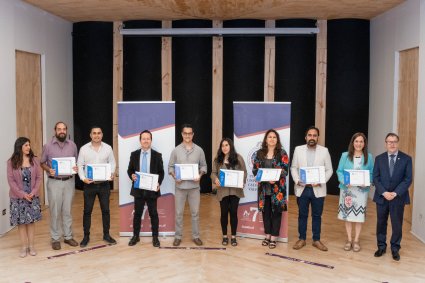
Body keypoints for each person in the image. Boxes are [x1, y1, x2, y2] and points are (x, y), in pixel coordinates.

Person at [291, 126, 333, 251]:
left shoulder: (324, 151)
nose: (312, 137)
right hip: (302, 188)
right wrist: (298, 180)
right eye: (310, 135)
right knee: (302, 215)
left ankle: (316, 240)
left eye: (314, 135)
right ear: (306, 137)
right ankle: (302, 239)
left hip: (318, 189)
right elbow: (293, 168)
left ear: (317, 138)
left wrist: (321, 180)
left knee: (317, 215)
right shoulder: (298, 150)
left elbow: (329, 169)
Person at [373, 133, 412, 261]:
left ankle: (395, 248)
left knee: (397, 224)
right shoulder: (379, 159)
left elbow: (408, 179)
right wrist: (384, 192)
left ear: (398, 142)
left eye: (394, 141)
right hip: (382, 197)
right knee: (381, 223)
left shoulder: (406, 159)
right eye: (389, 142)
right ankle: (381, 247)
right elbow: (376, 178)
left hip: (398, 198)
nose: (392, 144)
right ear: (386, 143)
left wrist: (395, 193)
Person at [40, 122, 79, 250]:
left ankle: (68, 236)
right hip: (54, 182)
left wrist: (75, 168)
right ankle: (55, 238)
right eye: (59, 129)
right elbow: (42, 163)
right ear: (55, 130)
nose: (61, 131)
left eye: (63, 129)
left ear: (66, 131)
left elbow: (76, 162)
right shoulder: (48, 146)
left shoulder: (72, 145)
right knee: (55, 211)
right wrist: (48, 169)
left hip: (69, 182)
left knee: (67, 211)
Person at [77, 126, 117, 247]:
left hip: (104, 185)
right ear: (90, 135)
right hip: (90, 185)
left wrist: (111, 173)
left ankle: (106, 234)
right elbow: (80, 165)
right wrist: (83, 178)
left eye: (99, 133)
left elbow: (112, 163)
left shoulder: (108, 148)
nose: (96, 135)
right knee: (87, 211)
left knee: (106, 211)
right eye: (94, 133)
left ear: (102, 135)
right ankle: (86, 236)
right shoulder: (84, 149)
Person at [168, 124, 207, 246]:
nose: (187, 135)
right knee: (179, 213)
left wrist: (200, 175)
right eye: (185, 133)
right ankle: (178, 236)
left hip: (194, 188)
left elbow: (204, 166)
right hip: (180, 188)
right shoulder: (176, 150)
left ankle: (196, 236)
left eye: (190, 133)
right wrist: (175, 177)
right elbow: (170, 167)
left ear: (193, 134)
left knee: (195, 213)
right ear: (182, 134)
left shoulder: (199, 150)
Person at [336, 132, 374, 252]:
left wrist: (367, 181)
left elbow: (372, 173)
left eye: (361, 141)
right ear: (353, 143)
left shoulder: (369, 157)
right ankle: (349, 239)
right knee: (348, 216)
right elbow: (339, 171)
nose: (358, 144)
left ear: (364, 143)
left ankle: (356, 240)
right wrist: (344, 181)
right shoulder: (345, 155)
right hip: (347, 190)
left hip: (361, 191)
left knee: (358, 216)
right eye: (356, 141)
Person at [252, 129, 289, 249]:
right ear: (266, 140)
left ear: (277, 140)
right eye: (269, 137)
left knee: (277, 213)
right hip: (264, 190)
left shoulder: (282, 153)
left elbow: (285, 171)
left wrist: (276, 177)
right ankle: (267, 235)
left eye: (274, 137)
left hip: (277, 191)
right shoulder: (259, 154)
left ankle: (274, 237)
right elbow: (255, 170)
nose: (272, 139)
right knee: (265, 213)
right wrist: (263, 178)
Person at [127, 130, 165, 247]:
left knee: (153, 213)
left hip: (152, 189)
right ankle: (135, 236)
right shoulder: (134, 154)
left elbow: (161, 172)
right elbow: (130, 170)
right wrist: (132, 175)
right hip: (138, 189)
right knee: (137, 214)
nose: (146, 140)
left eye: (148, 138)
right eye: (143, 138)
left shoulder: (157, 155)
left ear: (151, 140)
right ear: (140, 141)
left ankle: (155, 237)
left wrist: (158, 182)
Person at [7, 137, 42, 257]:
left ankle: (31, 246)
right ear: (19, 146)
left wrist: (33, 192)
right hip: (18, 198)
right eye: (26, 145)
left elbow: (39, 178)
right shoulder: (11, 162)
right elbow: (11, 182)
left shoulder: (35, 160)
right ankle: (23, 247)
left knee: (31, 222)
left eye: (29, 145)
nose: (28, 147)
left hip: (32, 197)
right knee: (21, 223)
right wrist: (22, 194)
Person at [211, 138, 247, 247]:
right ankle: (225, 236)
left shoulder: (238, 157)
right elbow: (213, 173)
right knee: (223, 213)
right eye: (222, 146)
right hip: (223, 191)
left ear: (230, 146)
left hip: (235, 191)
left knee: (234, 213)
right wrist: (215, 179)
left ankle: (234, 236)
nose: (225, 147)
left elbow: (244, 172)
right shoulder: (217, 159)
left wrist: (242, 181)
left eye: (226, 145)